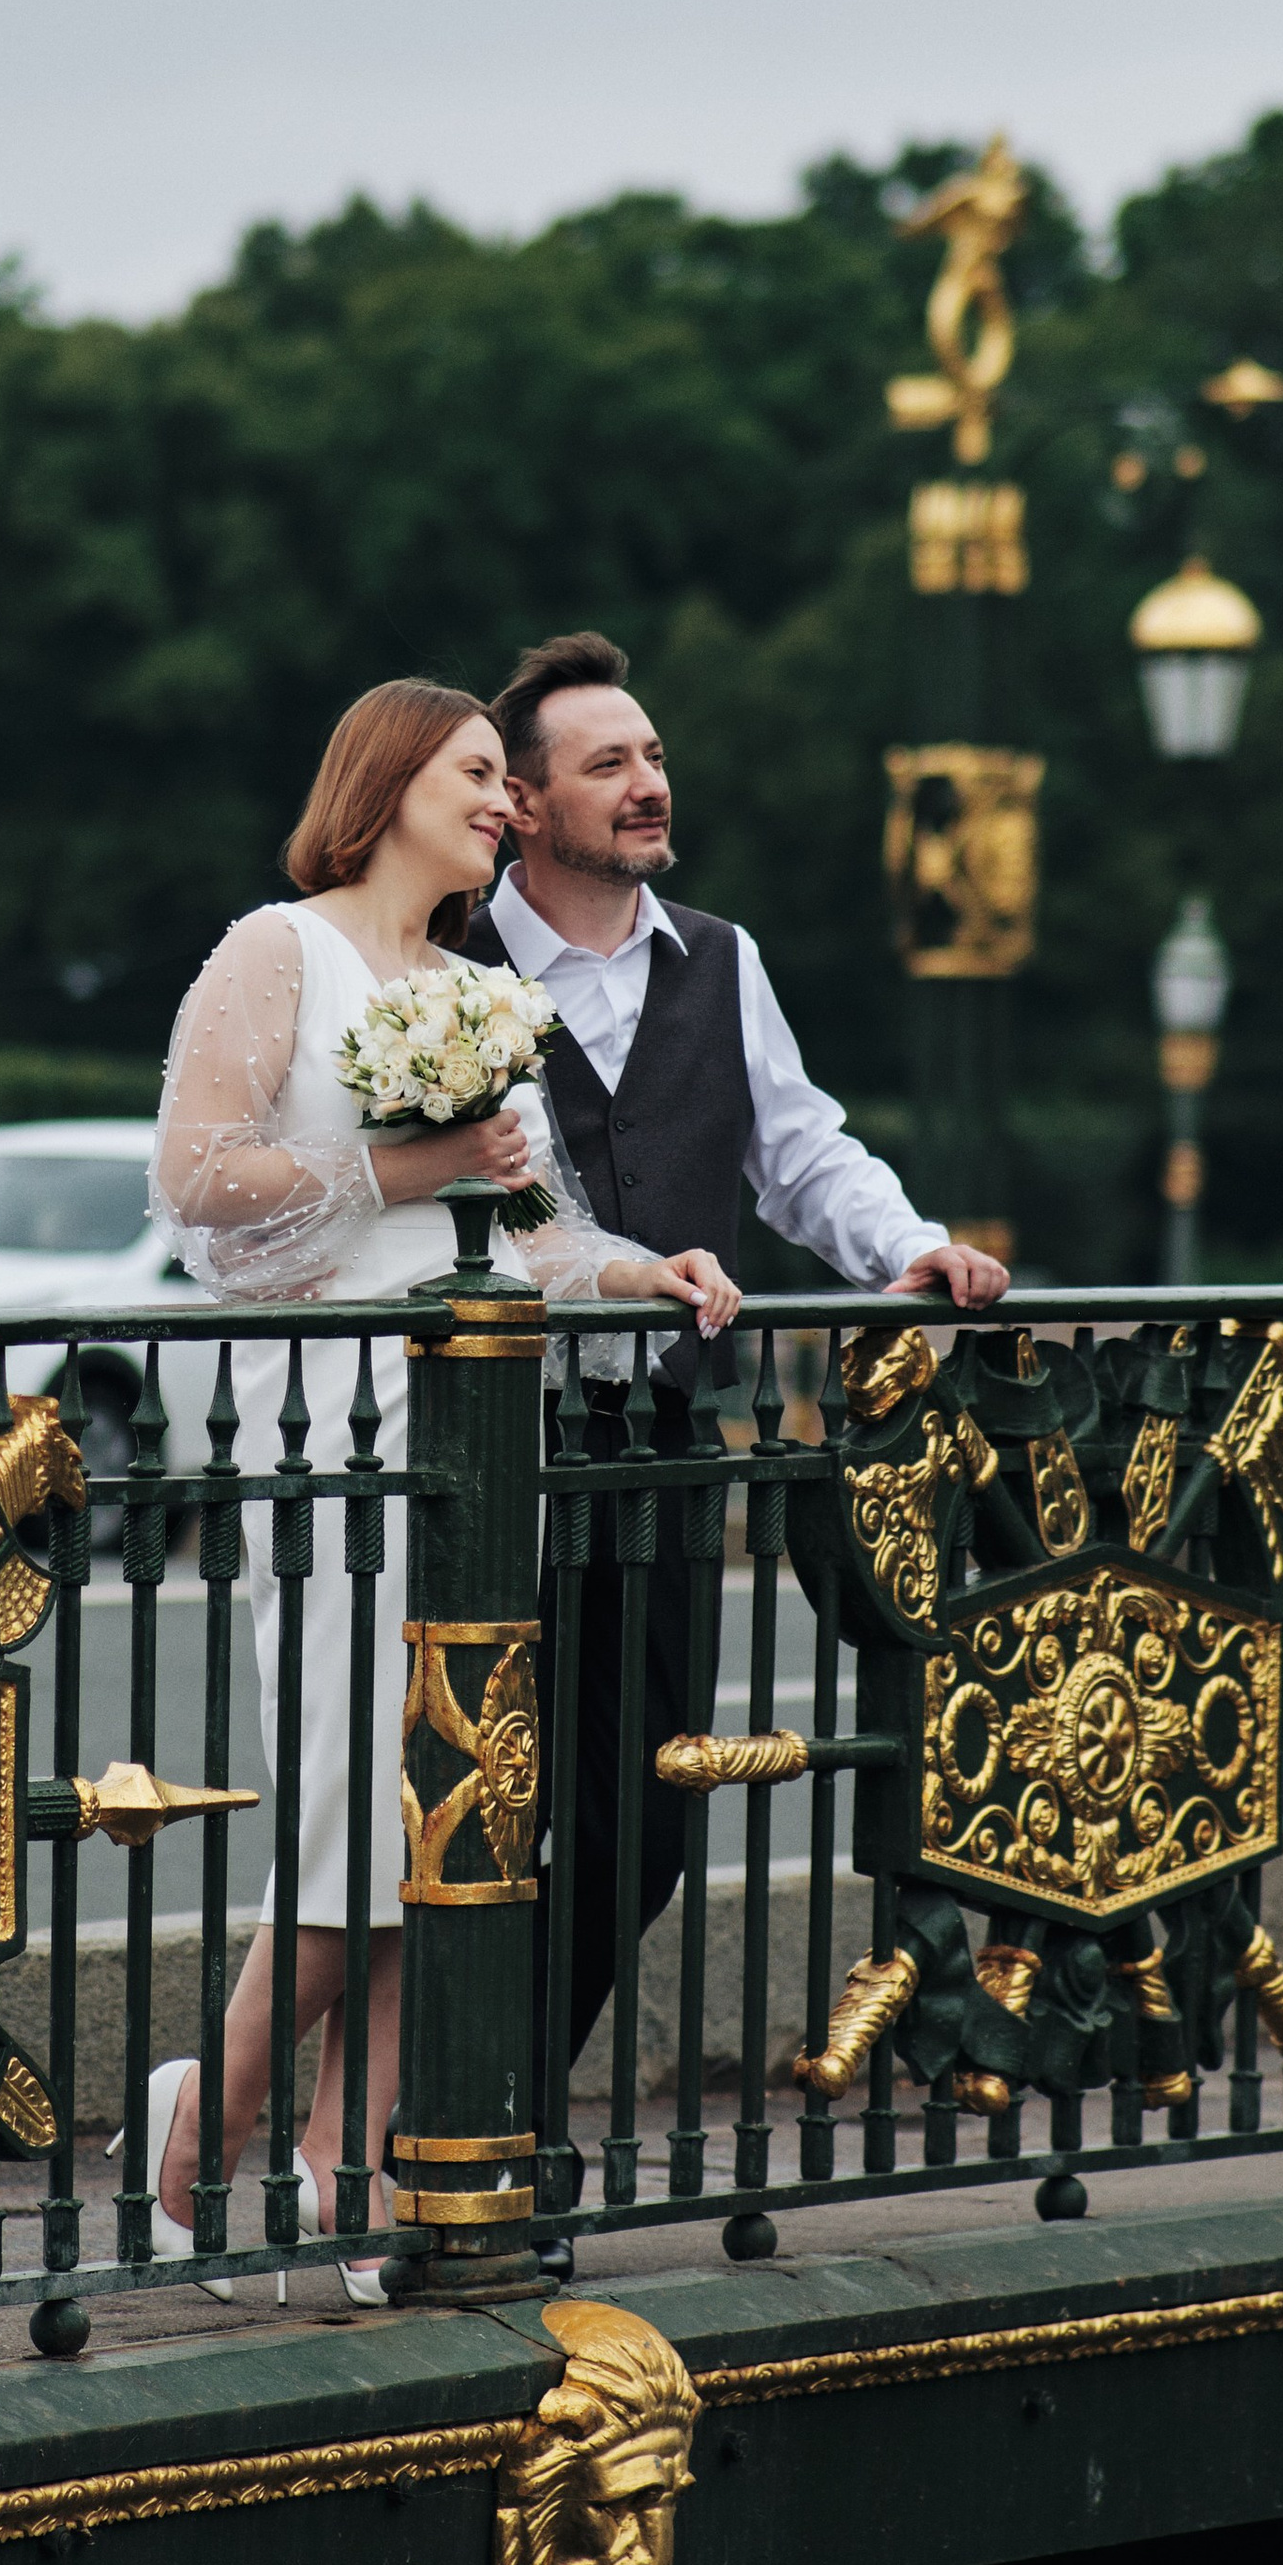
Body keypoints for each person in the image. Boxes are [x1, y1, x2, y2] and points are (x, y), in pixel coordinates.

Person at [145, 677, 737, 2296]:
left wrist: (638, 1272)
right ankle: (210, 2120)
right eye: (481, 776)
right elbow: (199, 1191)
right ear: (392, 777)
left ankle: (350, 2167)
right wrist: (417, 1166)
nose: (503, 805)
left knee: (452, 1801)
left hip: (482, 1443)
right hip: (332, 1424)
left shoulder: (467, 986)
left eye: (503, 781)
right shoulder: (284, 951)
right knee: (351, 1804)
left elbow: (535, 1236)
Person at [466, 629, 1010, 2084]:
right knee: (469, 1814)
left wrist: (907, 1245)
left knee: (641, 1828)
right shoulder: (441, 965)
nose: (650, 784)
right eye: (610, 765)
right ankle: (465, 2144)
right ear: (522, 804)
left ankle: (488, 2120)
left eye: (651, 757)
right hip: (481, 1448)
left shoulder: (720, 957)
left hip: (653, 1449)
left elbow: (800, 1149)